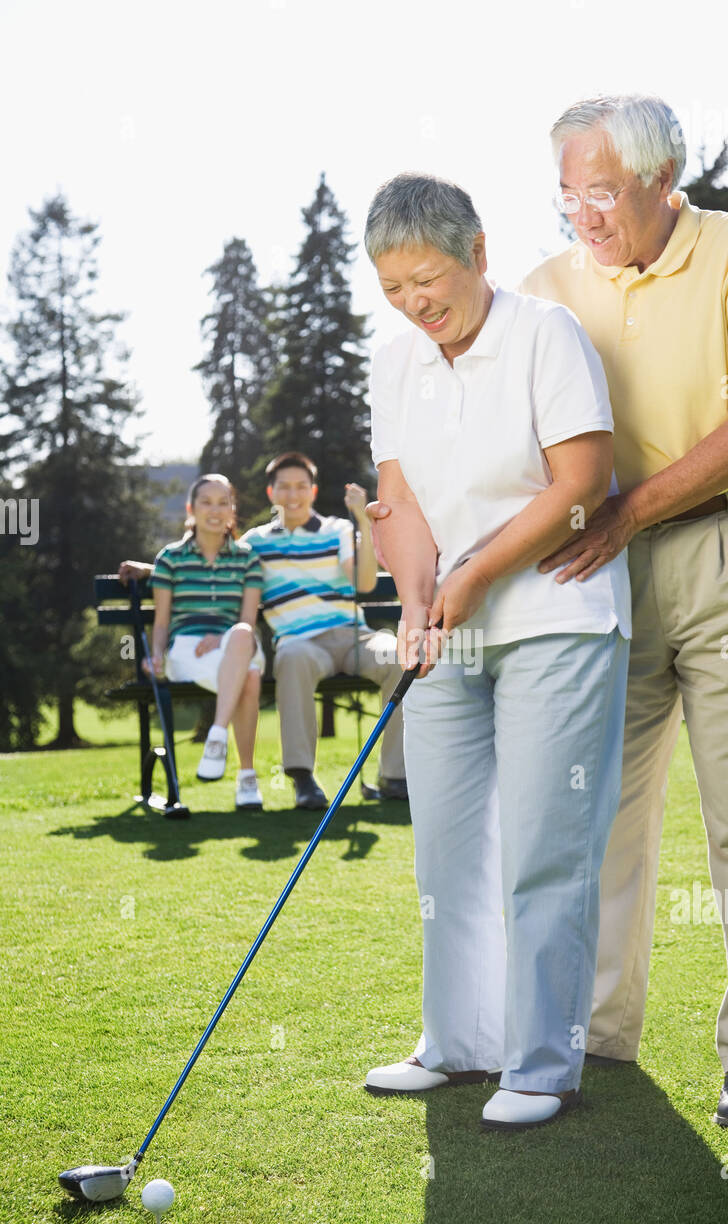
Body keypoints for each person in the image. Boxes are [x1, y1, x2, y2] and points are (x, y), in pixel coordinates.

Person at [514, 94, 728, 1128]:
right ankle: (599, 1031)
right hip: (603, 574)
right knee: (598, 811)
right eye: (566, 197)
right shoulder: (545, 288)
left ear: (661, 177)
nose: (582, 218)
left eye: (600, 192)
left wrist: (621, 512)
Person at [361, 172, 631, 1131]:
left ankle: (541, 1062)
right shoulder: (395, 366)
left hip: (556, 618)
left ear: (477, 251)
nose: (415, 302)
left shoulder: (543, 334)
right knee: (447, 850)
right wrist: (419, 598)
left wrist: (471, 579)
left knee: (541, 849)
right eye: (393, 289)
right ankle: (456, 1043)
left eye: (427, 278)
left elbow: (582, 485)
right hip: (449, 633)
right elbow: (400, 504)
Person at [241, 452, 406, 810]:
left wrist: (362, 519)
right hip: (302, 644)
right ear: (271, 492)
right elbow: (215, 560)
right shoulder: (255, 541)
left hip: (353, 639)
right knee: (292, 656)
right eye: (284, 487)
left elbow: (362, 583)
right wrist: (150, 570)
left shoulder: (338, 529)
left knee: (398, 655)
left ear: (313, 490)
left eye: (301, 486)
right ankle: (303, 778)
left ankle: (395, 776)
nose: (293, 494)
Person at [147, 473, 265, 810]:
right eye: (206, 502)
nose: (215, 510)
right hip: (186, 650)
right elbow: (161, 623)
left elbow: (247, 620)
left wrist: (219, 638)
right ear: (191, 508)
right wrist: (156, 656)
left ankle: (216, 734)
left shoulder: (247, 558)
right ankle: (246, 777)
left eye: (223, 502)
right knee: (250, 678)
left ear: (232, 510)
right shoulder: (170, 558)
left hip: (234, 645)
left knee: (242, 636)